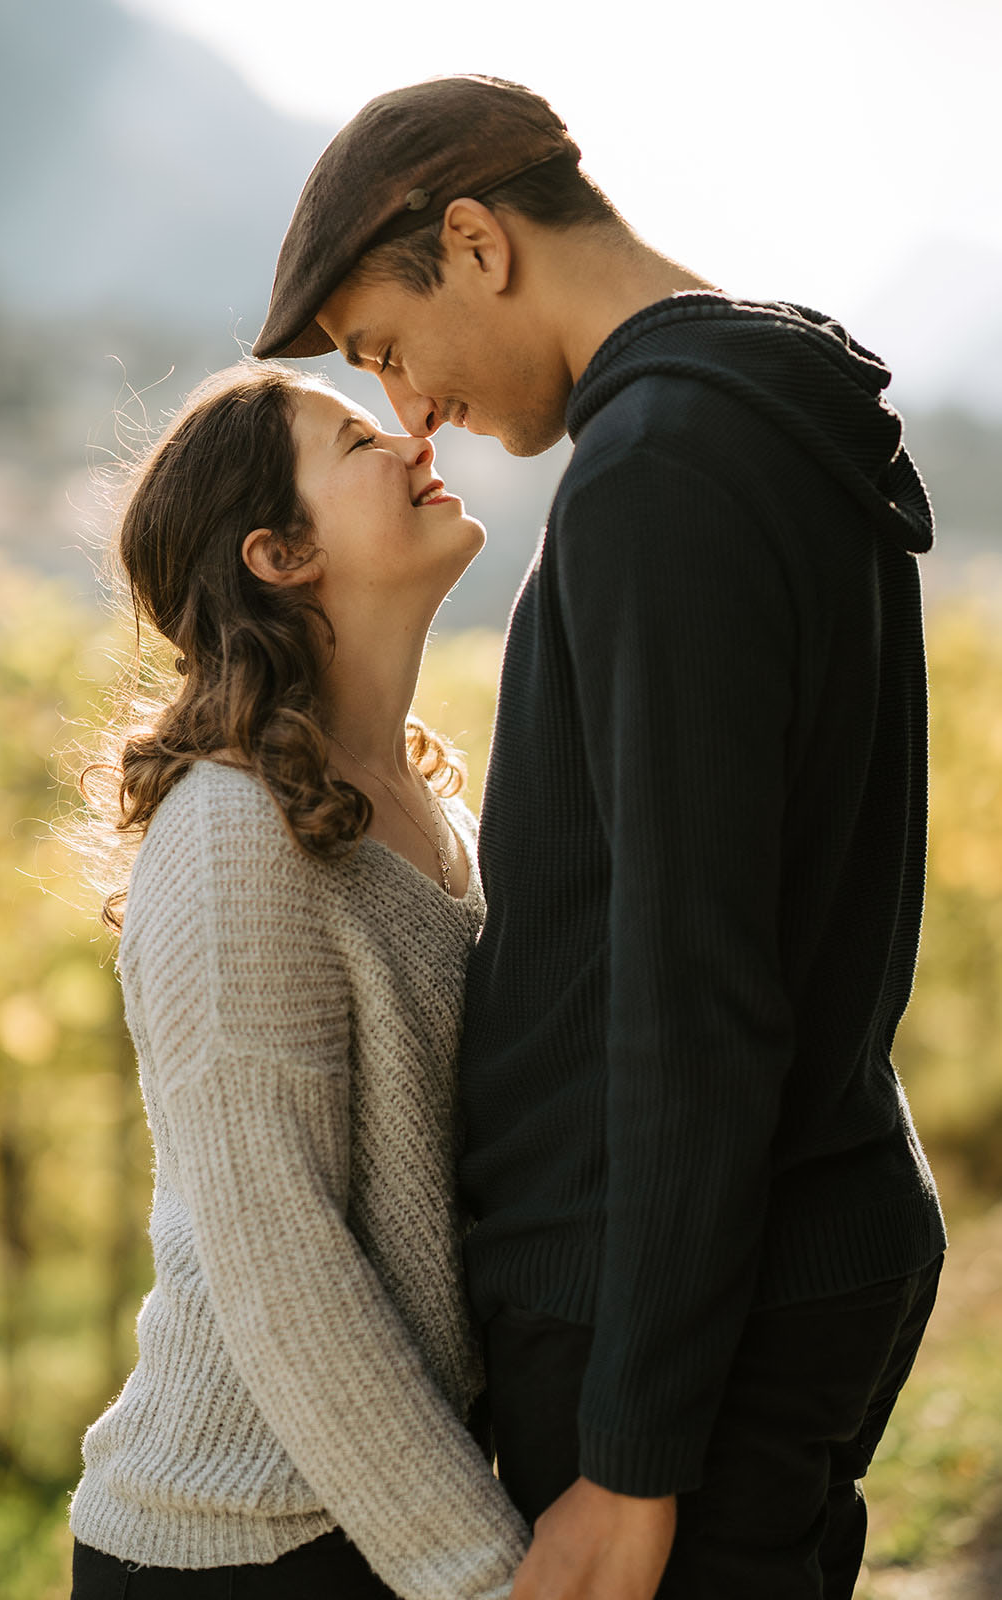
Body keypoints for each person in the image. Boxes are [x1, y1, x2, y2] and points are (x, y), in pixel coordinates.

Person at [251, 75, 948, 1600]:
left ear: (475, 240)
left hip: (678, 1314)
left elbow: (690, 992)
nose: (412, 409)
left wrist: (632, 1460)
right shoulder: (754, 419)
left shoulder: (659, 477)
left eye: (386, 347)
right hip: (757, 1257)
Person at [67, 363, 529, 1598]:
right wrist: (488, 1573)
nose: (413, 435)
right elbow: (285, 1265)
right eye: (357, 439)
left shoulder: (432, 807)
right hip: (242, 1540)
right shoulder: (230, 833)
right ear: (279, 554)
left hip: (382, 1510)